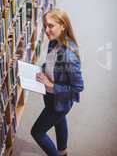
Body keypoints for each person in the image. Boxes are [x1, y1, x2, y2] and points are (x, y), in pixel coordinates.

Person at [31, 8, 84, 156]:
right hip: (50, 97)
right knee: (59, 121)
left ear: (63, 26)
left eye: (51, 26)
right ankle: (63, 151)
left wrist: (51, 86)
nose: (46, 30)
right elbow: (51, 64)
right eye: (45, 25)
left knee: (37, 132)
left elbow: (78, 87)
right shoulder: (53, 42)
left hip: (59, 100)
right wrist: (40, 69)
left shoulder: (69, 56)